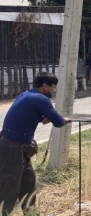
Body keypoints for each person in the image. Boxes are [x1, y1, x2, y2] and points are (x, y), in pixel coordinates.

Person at [0, 72, 71, 215]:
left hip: (17, 150)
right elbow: (58, 121)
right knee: (8, 191)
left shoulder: (25, 94)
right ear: (45, 86)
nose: (54, 90)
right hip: (12, 151)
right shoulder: (41, 99)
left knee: (28, 184)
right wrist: (65, 120)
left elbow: (25, 115)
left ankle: (31, 213)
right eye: (53, 87)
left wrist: (42, 118)